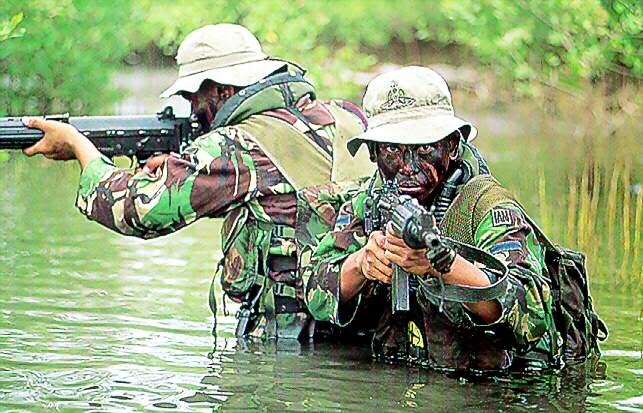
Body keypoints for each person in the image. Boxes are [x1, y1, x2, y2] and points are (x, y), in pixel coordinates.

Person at [21, 23, 374, 341]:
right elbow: (297, 204)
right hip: (368, 332)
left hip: (292, 347)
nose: (192, 111)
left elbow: (139, 211)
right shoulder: (348, 117)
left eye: (194, 97)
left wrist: (80, 148)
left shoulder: (237, 144)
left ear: (222, 90)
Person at [300, 66, 568, 372]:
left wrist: (446, 266)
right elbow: (314, 291)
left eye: (425, 148)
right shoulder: (369, 202)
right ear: (372, 154)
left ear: (452, 146)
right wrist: (361, 265)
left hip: (489, 388)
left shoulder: (485, 208)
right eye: (391, 149)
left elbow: (532, 316)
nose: (408, 166)